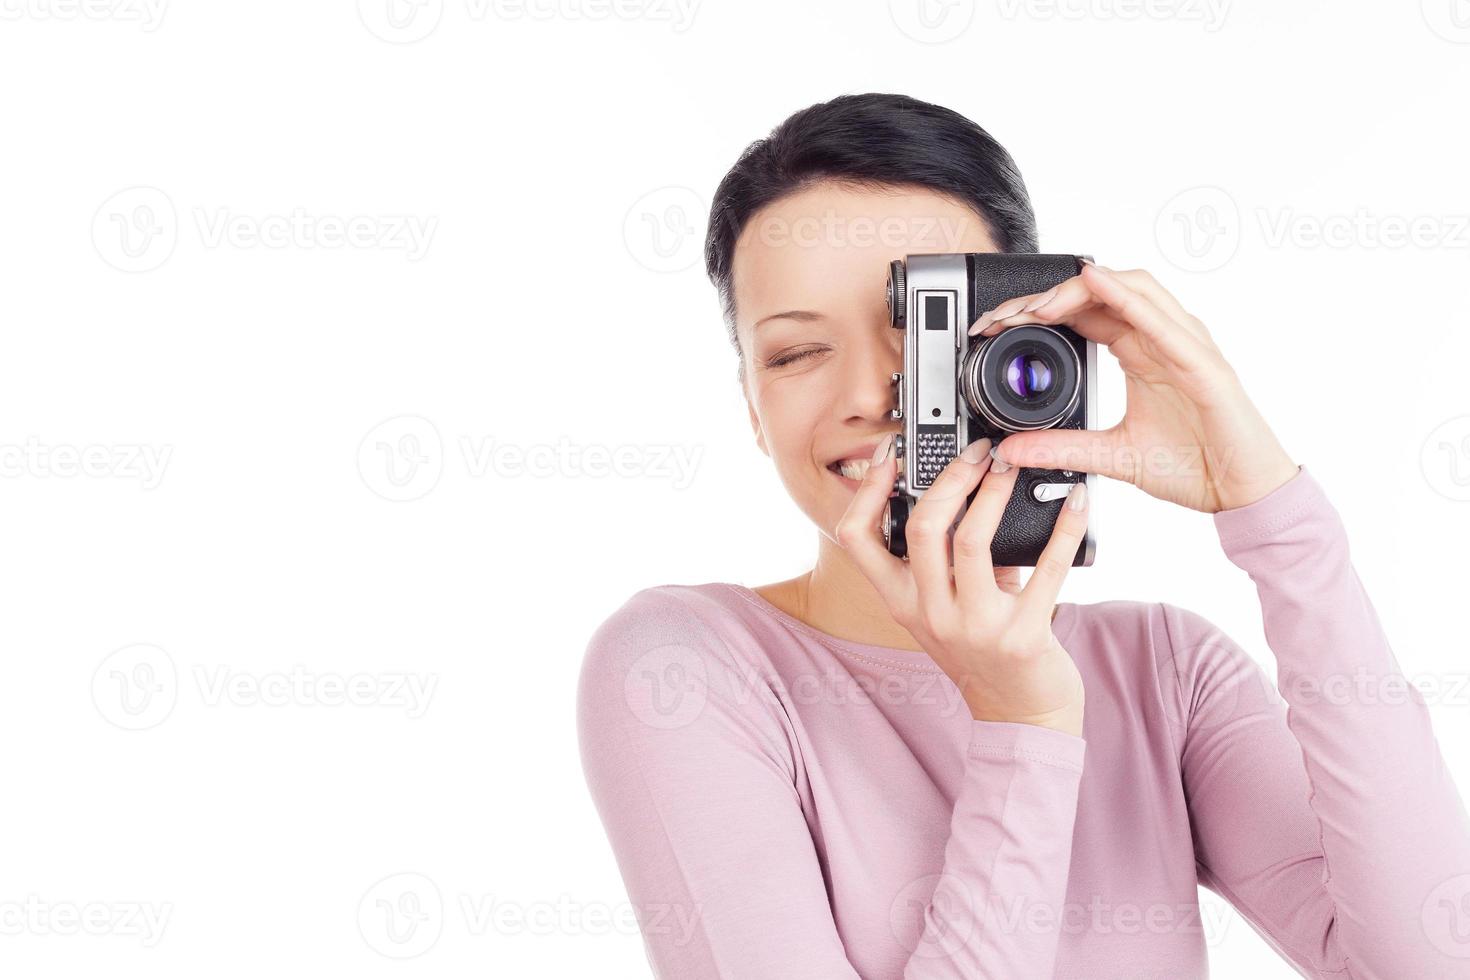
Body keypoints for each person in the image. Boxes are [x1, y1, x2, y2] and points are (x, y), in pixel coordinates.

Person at [575, 92, 1470, 978]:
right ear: (753, 412)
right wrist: (1026, 724)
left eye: (922, 331)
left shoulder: (1163, 671)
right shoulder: (686, 669)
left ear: (1030, 336)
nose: (870, 394)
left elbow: (1429, 961)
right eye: (796, 353)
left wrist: (1273, 510)